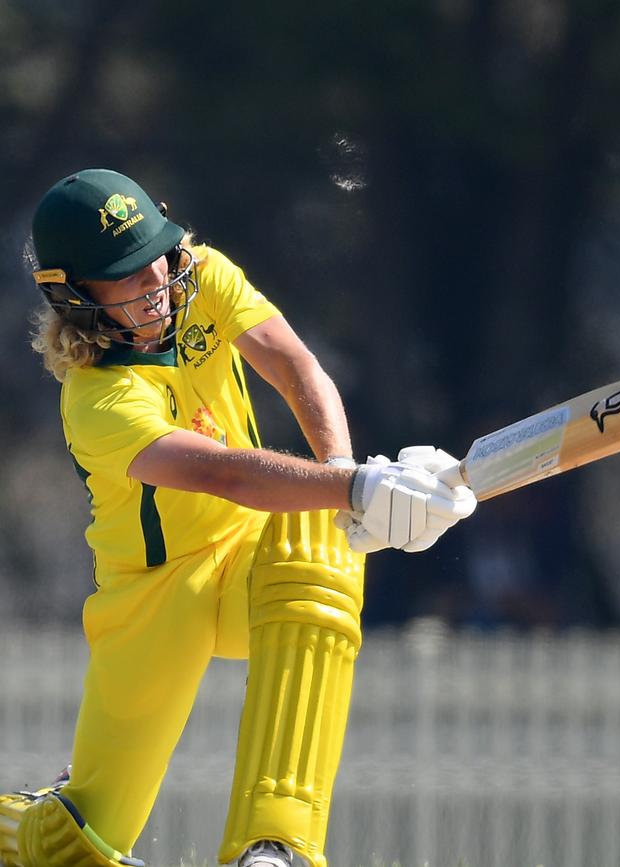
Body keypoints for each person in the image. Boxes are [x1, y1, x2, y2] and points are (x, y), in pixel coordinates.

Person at [0, 169, 476, 867]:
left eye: (155, 256)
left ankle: (273, 843)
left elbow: (297, 368)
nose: (155, 279)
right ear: (76, 297)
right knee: (75, 847)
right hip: (156, 597)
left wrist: (351, 485)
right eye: (125, 277)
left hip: (250, 554)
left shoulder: (206, 276)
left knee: (319, 534)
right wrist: (354, 488)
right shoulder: (96, 400)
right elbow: (222, 472)